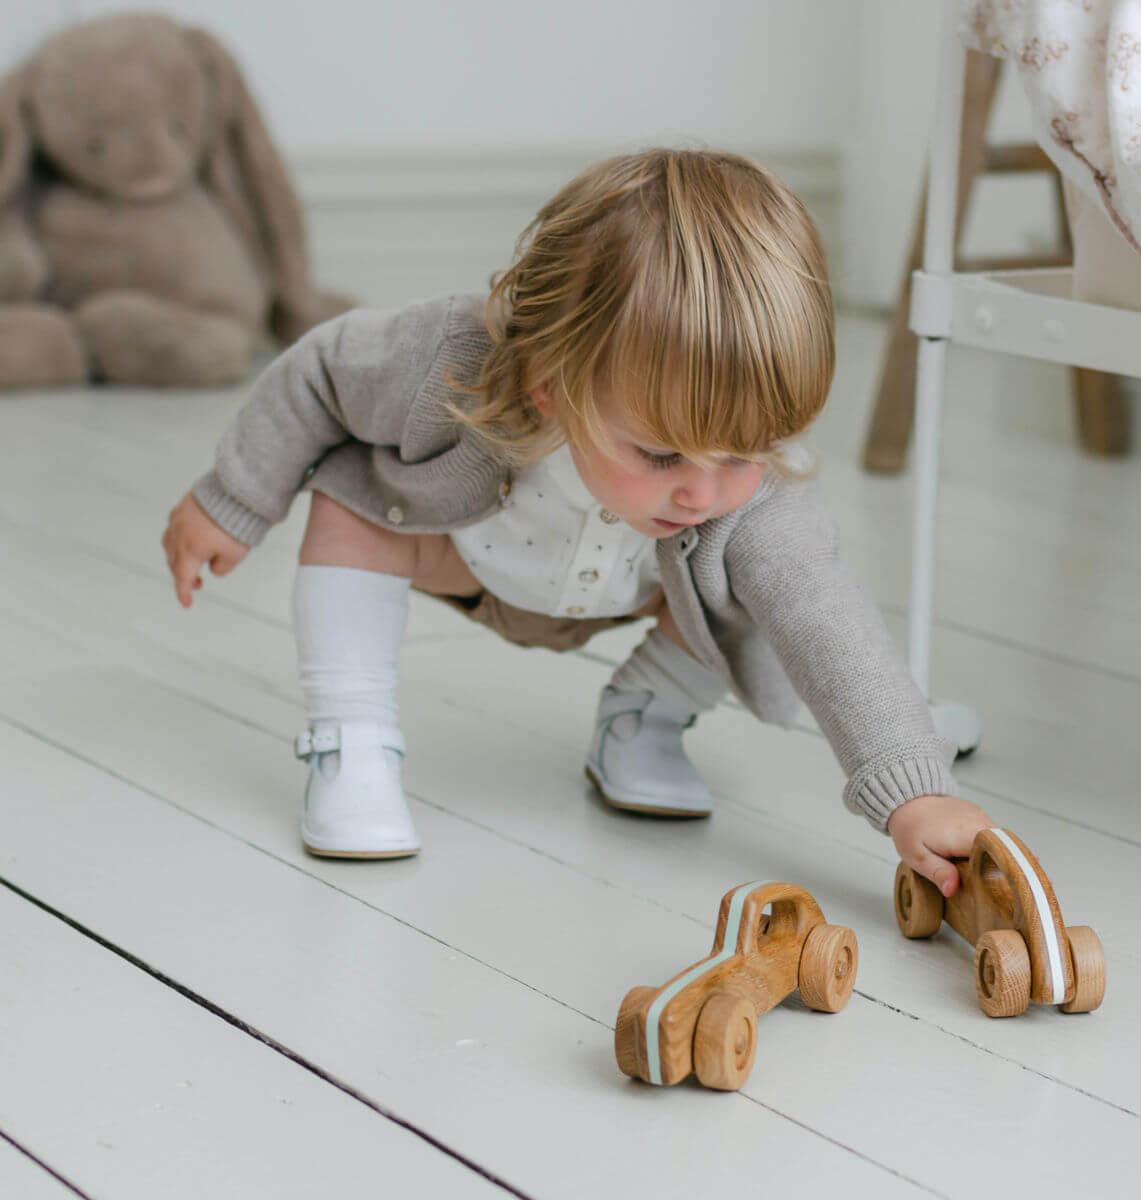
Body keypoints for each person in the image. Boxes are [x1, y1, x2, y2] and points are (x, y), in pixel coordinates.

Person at [161, 148, 990, 893]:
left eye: (746, 452)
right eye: (661, 455)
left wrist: (913, 792)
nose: (701, 492)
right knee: (350, 507)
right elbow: (317, 374)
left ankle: (644, 717)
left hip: (642, 593)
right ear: (549, 382)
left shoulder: (753, 499)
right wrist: (232, 499)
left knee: (766, 586)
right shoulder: (449, 357)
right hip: (462, 555)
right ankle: (352, 743)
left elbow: (829, 623)